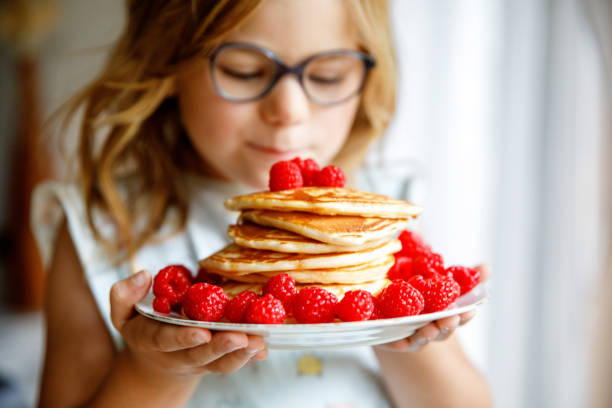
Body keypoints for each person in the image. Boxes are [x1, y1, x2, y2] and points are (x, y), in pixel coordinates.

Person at [31, 0, 492, 406]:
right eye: (245, 70)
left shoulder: (375, 222)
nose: (289, 109)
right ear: (167, 61)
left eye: (328, 75)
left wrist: (402, 329)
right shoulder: (100, 230)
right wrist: (155, 372)